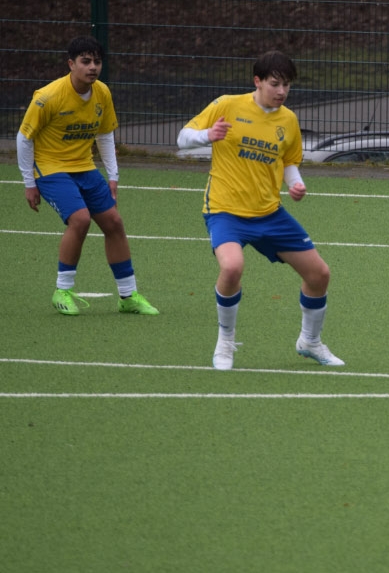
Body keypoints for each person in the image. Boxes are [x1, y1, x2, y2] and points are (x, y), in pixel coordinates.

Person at [177, 50, 343, 370]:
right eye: (275, 84)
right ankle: (225, 342)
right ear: (257, 81)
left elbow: (289, 161)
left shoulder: (288, 120)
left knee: (319, 274)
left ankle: (310, 341)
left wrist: (296, 183)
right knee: (232, 268)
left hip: (270, 213)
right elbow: (183, 137)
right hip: (225, 210)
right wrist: (207, 136)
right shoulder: (227, 105)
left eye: (287, 85)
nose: (282, 91)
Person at [17, 36, 159, 317]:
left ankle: (128, 296)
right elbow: (24, 138)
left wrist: (113, 176)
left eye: (97, 61)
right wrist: (29, 183)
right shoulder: (48, 97)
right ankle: (62, 291)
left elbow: (105, 135)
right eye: (85, 61)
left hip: (84, 166)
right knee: (80, 219)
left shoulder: (102, 92)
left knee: (114, 222)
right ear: (71, 64)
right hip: (51, 168)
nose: (92, 67)